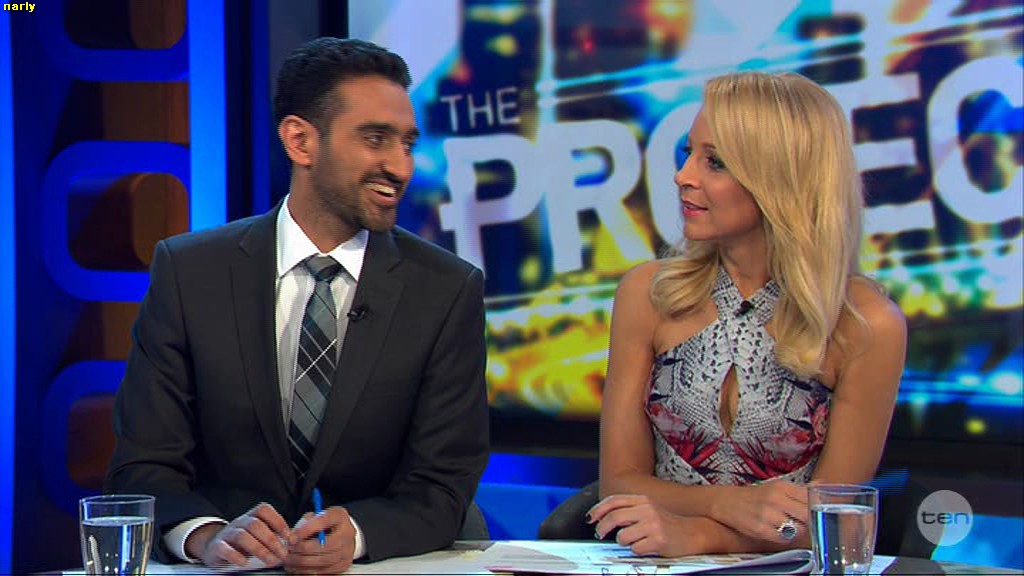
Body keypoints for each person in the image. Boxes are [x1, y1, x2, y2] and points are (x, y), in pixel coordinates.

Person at [106, 37, 489, 574]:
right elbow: (144, 465)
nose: (400, 167)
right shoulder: (190, 272)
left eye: (407, 143)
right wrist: (207, 535)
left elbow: (444, 482)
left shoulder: (446, 289)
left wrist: (359, 533)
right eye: (375, 139)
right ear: (300, 141)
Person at [588, 71, 907, 556]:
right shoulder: (648, 294)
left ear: (781, 179)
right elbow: (619, 485)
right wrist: (728, 503)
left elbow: (836, 523)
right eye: (688, 153)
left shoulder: (867, 324)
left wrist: (703, 535)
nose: (683, 176)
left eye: (714, 161)